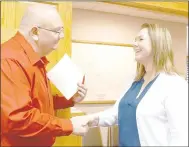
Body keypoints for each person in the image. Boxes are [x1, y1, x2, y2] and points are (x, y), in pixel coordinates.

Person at [80, 23, 188, 146]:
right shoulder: (134, 81)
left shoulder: (174, 85)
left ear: (158, 44)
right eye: (135, 40)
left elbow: (181, 136)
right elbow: (116, 113)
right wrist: (90, 119)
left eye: (141, 39)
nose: (134, 44)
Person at [1, 4, 89, 147]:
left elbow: (39, 103)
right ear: (35, 32)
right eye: (57, 31)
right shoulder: (10, 60)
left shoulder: (35, 60)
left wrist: (70, 100)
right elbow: (18, 119)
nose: (62, 36)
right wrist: (68, 125)